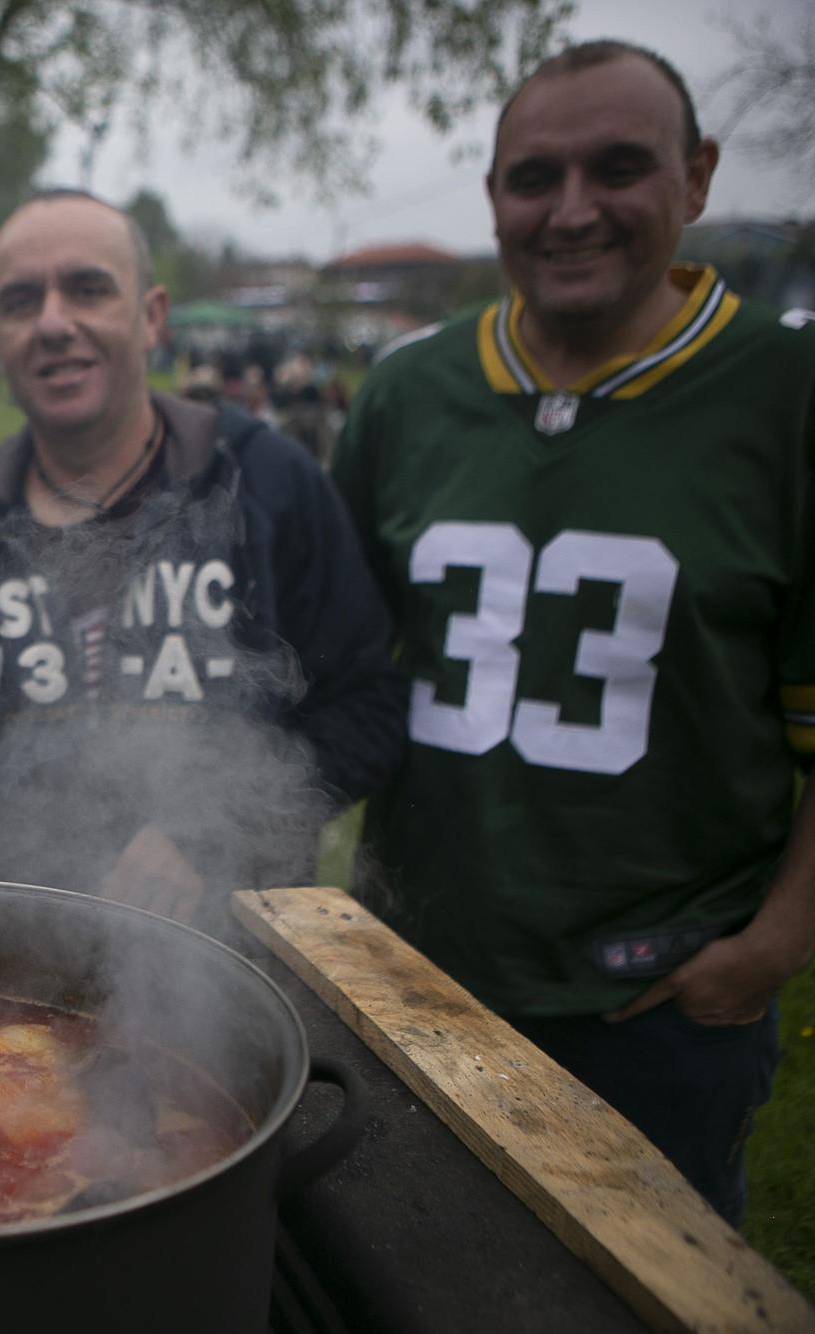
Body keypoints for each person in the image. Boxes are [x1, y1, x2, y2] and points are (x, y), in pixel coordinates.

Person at [327, 41, 815, 1224]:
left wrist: (766, 949)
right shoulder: (405, 397)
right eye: (532, 178)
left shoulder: (781, 396)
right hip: (414, 977)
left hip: (651, 1005)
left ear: (693, 179)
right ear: (493, 197)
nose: (571, 210)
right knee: (401, 1270)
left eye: (617, 167)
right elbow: (327, 671)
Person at [0, 190, 405, 934]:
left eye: (87, 288)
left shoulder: (267, 482)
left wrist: (208, 829)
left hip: (229, 970)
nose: (51, 322)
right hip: (21, 970)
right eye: (19, 301)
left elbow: (368, 709)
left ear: (152, 317)